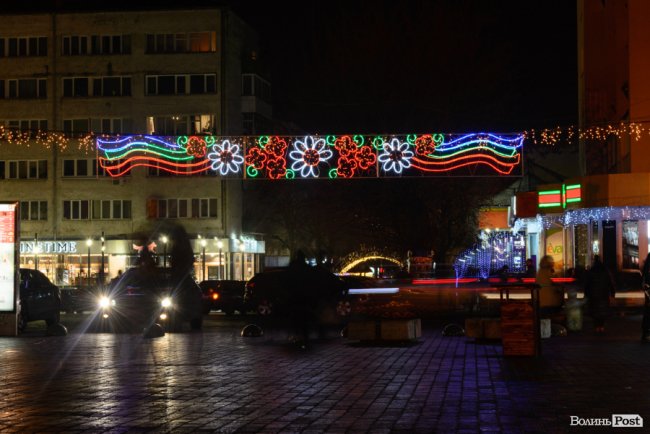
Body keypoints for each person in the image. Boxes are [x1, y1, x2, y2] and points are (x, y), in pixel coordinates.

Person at [584, 255, 616, 333]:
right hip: (603, 294)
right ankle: (601, 326)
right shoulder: (605, 271)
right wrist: (612, 293)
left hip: (593, 295)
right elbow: (610, 283)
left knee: (595, 311)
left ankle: (597, 326)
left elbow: (587, 284)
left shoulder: (591, 271)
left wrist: (586, 294)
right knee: (602, 311)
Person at [642, 253, 650, 342]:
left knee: (647, 311)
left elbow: (643, 279)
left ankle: (645, 331)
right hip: (648, 290)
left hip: (648, 291)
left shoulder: (647, 264)